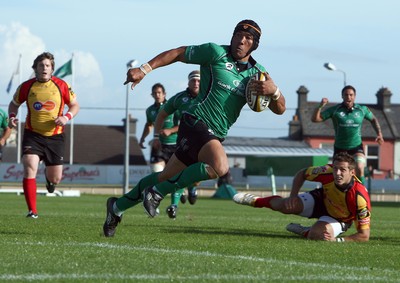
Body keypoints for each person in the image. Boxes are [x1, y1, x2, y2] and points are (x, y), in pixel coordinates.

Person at [103, 19, 286, 237]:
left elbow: (280, 109)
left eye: (248, 38)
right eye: (238, 35)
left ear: (254, 45)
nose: (241, 41)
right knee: (220, 167)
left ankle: (117, 207)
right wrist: (145, 69)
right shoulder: (214, 52)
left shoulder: (258, 74)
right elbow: (179, 53)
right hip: (196, 120)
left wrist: (274, 92)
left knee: (165, 175)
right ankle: (157, 193)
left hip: (215, 132)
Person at [233, 152, 371, 242]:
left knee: (318, 235)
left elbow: (364, 235)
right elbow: (302, 173)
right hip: (321, 200)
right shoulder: (326, 172)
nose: (337, 173)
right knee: (284, 205)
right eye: (335, 168)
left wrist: (338, 240)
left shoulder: (359, 196)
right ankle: (255, 200)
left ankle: (306, 231)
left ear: (352, 172)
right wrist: (293, 196)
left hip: (339, 218)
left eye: (343, 170)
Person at [8, 52, 80, 218]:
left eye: (47, 65)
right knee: (29, 164)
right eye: (41, 65)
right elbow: (14, 104)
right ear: (35, 69)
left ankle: (50, 181)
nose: (44, 68)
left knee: (56, 178)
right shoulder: (26, 87)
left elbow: (75, 105)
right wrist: (12, 117)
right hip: (33, 135)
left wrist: (66, 117)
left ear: (52, 69)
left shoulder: (61, 85)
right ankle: (32, 211)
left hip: (55, 137)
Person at [311, 85, 384, 185]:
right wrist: (320, 106)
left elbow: (373, 119)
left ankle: (362, 194)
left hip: (356, 147)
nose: (348, 97)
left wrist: (379, 134)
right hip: (340, 148)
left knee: (359, 168)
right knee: (338, 175)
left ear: (355, 96)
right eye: (346, 95)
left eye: (351, 95)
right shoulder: (335, 110)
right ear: (342, 96)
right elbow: (315, 119)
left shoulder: (362, 109)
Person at [152, 70, 201, 218]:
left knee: (196, 176)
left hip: (200, 141)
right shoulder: (180, 99)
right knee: (164, 174)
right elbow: (154, 121)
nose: (196, 83)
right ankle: (171, 205)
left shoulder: (208, 96)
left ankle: (191, 189)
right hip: (180, 143)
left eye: (199, 81)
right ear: (188, 82)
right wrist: (153, 137)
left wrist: (170, 130)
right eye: (193, 80)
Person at [138, 82, 182, 218]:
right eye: (155, 93)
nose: (157, 95)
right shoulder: (150, 110)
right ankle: (153, 203)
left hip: (174, 145)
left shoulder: (173, 107)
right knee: (157, 174)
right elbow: (149, 124)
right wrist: (143, 138)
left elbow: (182, 124)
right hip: (158, 146)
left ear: (164, 94)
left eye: (159, 93)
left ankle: (174, 206)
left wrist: (170, 130)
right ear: (152, 95)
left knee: (176, 177)